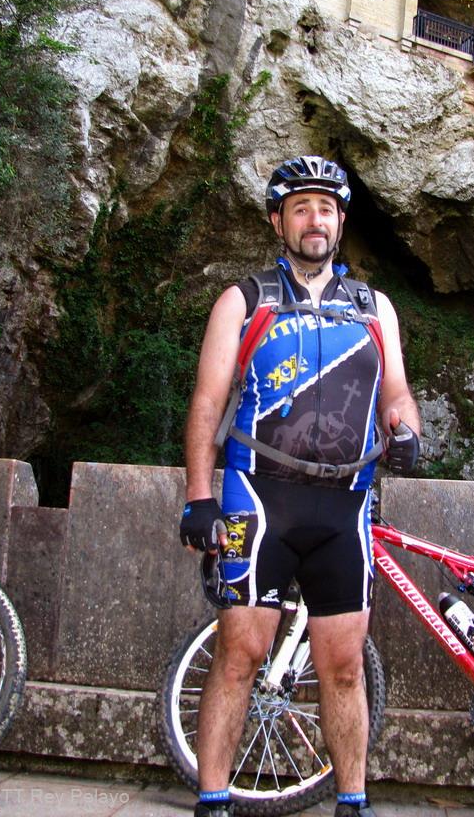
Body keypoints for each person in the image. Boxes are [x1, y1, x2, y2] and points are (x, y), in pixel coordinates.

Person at [179, 156, 422, 817]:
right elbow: (207, 402)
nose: (316, 220)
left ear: (341, 222)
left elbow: (397, 394)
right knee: (240, 655)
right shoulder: (245, 300)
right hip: (257, 497)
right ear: (277, 221)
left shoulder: (374, 308)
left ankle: (352, 802)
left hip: (347, 505)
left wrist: (406, 429)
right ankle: (213, 800)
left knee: (343, 666)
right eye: (301, 208)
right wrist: (199, 496)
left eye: (327, 209)